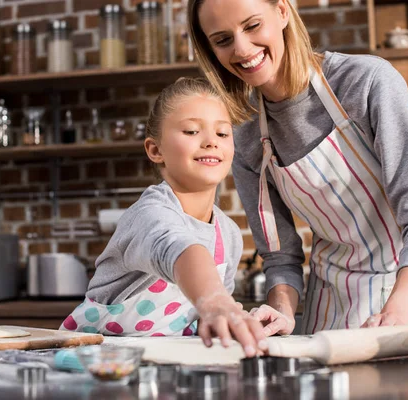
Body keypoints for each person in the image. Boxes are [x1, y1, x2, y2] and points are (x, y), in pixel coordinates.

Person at [187, 0, 408, 336]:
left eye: (252, 25)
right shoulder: (244, 131)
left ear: (283, 11)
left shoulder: (367, 82)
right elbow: (280, 257)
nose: (242, 49)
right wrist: (282, 313)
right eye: (223, 39)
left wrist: (398, 310)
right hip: (333, 295)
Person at [60, 77, 268, 357]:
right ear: (155, 150)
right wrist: (215, 300)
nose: (210, 142)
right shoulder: (149, 214)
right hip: (93, 366)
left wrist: (237, 320)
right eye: (192, 131)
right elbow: (178, 249)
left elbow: (211, 318)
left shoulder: (228, 235)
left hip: (163, 370)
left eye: (222, 133)